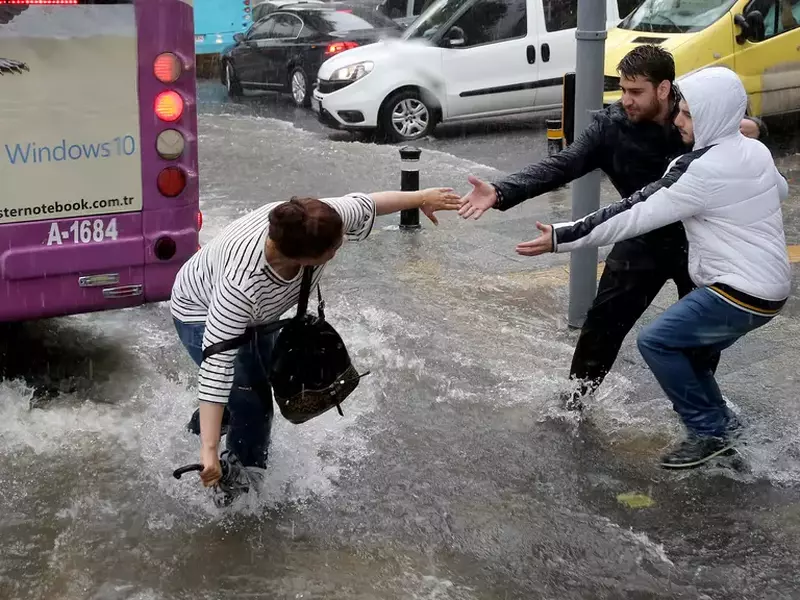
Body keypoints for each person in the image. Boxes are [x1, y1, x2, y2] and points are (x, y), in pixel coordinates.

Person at [456, 45, 766, 411]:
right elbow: (563, 164)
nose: (626, 101)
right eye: (623, 90)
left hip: (698, 243)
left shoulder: (694, 114)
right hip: (641, 237)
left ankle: (699, 411)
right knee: (602, 326)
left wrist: (754, 128)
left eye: (636, 92)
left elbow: (745, 125)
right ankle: (573, 403)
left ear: (664, 89)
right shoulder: (611, 127)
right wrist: (502, 189)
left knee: (697, 341)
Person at [515, 66, 790, 469]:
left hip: (738, 291)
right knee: (692, 353)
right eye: (680, 110)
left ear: (715, 116)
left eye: (689, 115)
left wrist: (561, 236)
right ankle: (722, 426)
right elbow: (778, 188)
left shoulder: (700, 170)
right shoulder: (755, 151)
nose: (678, 120)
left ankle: (708, 431)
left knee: (657, 341)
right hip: (773, 290)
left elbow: (633, 213)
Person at [170, 187, 460, 504]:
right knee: (254, 404)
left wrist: (421, 198)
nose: (341, 245)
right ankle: (240, 496)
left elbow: (369, 203)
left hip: (260, 315)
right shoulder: (241, 285)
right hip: (198, 310)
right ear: (303, 258)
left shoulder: (315, 219)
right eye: (332, 250)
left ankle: (209, 424)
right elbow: (217, 366)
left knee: (257, 384)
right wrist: (209, 451)